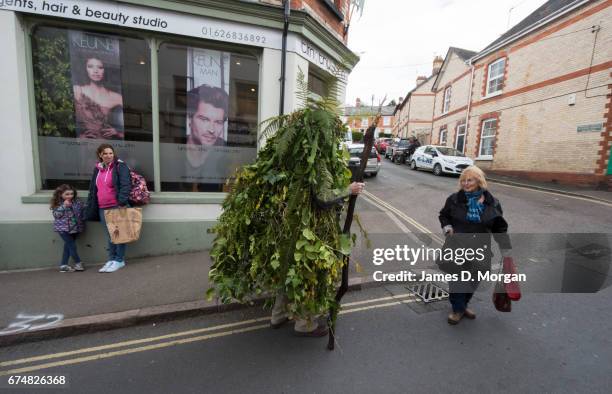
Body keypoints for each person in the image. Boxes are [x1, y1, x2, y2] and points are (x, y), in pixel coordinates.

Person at [270, 181, 365, 337]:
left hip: (291, 224)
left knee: (288, 271)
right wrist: (348, 189)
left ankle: (278, 315)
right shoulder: (319, 158)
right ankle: (304, 325)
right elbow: (323, 198)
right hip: (312, 230)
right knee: (310, 276)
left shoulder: (294, 157)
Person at [438, 166, 511, 325]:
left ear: (479, 181)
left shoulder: (492, 203)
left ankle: (463, 304)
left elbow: (499, 228)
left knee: (476, 277)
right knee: (457, 279)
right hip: (456, 245)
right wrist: (447, 227)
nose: (465, 183)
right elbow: (444, 215)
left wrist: (505, 248)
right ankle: (458, 309)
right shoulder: (454, 199)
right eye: (463, 180)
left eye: (469, 180)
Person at [85, 143, 131, 273]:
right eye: (105, 153)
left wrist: (121, 202)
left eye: (111, 153)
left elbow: (126, 185)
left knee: (119, 235)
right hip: (102, 207)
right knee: (110, 235)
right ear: (100, 155)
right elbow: (93, 189)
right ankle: (111, 259)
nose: (108, 155)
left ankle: (119, 260)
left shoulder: (120, 166)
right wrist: (90, 203)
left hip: (116, 206)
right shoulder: (98, 169)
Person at [73, 56, 124, 140]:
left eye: (100, 67)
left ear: (105, 70)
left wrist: (118, 132)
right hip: (83, 144)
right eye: (90, 66)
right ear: (85, 69)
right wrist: (79, 137)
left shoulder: (116, 97)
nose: (95, 71)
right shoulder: (77, 90)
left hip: (106, 144)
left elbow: (131, 128)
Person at [50, 184, 86, 272]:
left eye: (71, 194)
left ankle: (63, 265)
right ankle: (78, 263)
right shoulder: (58, 204)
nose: (70, 196)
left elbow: (83, 208)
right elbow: (56, 215)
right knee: (72, 246)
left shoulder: (77, 202)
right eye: (67, 194)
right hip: (63, 229)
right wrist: (63, 206)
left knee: (68, 246)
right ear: (60, 194)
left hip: (75, 228)